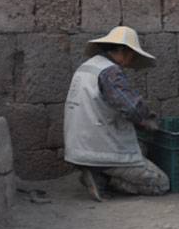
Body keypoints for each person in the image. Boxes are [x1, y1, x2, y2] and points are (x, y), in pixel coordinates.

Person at [63, 26, 169, 201]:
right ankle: (104, 177)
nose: (132, 58)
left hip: (77, 147)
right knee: (161, 183)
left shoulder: (87, 66)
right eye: (132, 54)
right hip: (99, 150)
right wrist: (149, 120)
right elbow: (132, 108)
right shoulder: (110, 72)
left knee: (140, 145)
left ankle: (97, 172)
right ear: (123, 51)